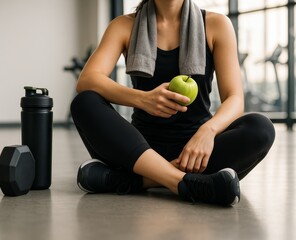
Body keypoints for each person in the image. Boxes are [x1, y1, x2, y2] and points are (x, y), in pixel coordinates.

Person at [70, 0, 275, 206]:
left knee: (261, 128)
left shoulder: (217, 24)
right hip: (138, 148)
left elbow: (235, 98)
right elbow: (87, 79)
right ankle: (188, 183)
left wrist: (208, 131)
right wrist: (143, 99)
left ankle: (136, 180)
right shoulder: (124, 26)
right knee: (85, 102)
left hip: (196, 151)